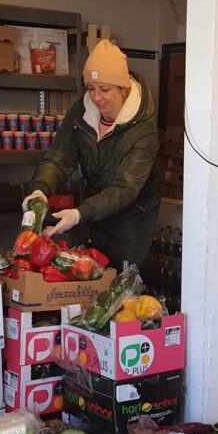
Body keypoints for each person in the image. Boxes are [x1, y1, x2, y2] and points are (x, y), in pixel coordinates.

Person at [26, 39, 160, 267]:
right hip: (94, 217)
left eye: (105, 89)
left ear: (124, 88)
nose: (96, 97)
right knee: (92, 279)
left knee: (122, 286)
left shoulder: (143, 128)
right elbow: (59, 159)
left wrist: (79, 214)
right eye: (91, 88)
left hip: (131, 223)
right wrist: (40, 190)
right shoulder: (81, 112)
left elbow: (125, 189)